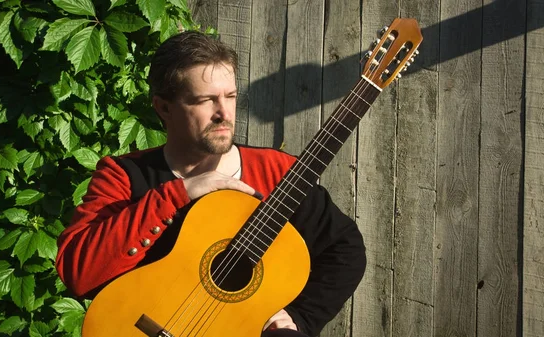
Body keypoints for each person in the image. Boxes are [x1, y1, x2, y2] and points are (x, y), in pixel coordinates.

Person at [55, 31, 366, 337]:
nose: (223, 113)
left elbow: (345, 249)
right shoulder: (124, 174)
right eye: (206, 100)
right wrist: (177, 194)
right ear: (163, 107)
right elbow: (79, 274)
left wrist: (301, 317)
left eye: (230, 97)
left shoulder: (276, 172)